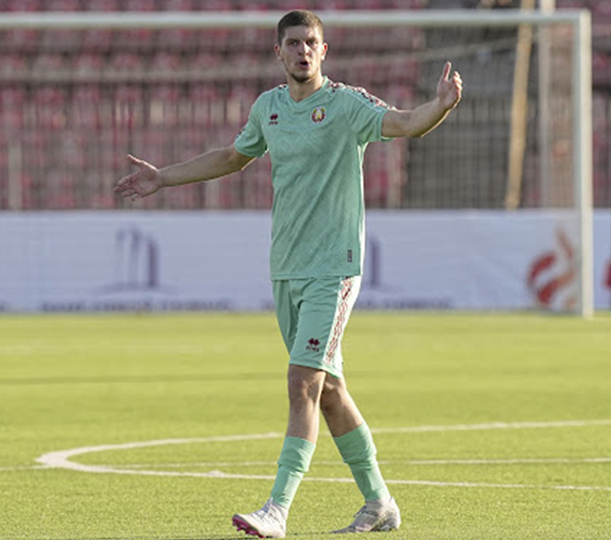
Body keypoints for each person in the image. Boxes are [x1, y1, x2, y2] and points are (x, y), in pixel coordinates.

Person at [114, 9, 462, 537]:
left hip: (334, 269)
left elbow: (405, 123)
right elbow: (232, 157)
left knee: (302, 382)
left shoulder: (346, 104)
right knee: (329, 391)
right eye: (293, 43)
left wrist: (440, 106)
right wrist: (163, 178)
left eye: (311, 43)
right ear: (278, 52)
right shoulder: (268, 108)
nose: (302, 51)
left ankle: (277, 509)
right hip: (287, 269)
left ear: (324, 51)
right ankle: (380, 503)